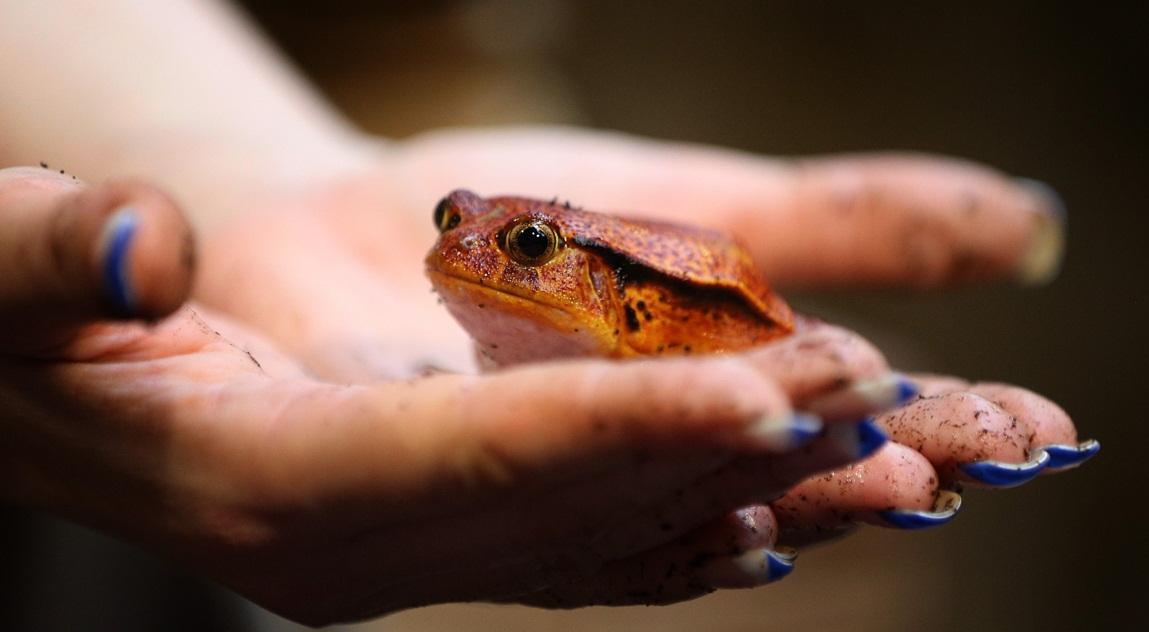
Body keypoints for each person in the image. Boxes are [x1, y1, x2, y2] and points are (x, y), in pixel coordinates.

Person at [0, 0, 1094, 626]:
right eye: (450, 222)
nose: (460, 252)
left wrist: (236, 165)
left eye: (519, 247)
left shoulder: (641, 307)